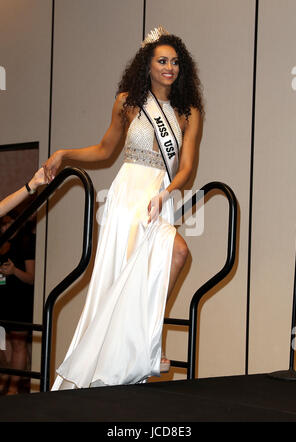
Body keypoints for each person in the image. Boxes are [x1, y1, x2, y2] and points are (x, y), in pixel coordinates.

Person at [43, 27, 204, 390]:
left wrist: (169, 193)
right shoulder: (127, 102)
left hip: (159, 195)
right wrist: (65, 153)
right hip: (128, 195)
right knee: (124, 275)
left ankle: (146, 341)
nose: (170, 68)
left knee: (177, 254)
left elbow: (188, 168)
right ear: (147, 64)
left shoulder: (188, 112)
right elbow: (104, 150)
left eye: (175, 62)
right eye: (162, 61)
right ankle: (133, 354)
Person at [0, 213, 36, 395]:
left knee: (19, 345)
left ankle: (14, 387)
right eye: (3, 224)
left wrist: (14, 271)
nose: (4, 228)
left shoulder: (26, 243)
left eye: (9, 224)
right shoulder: (3, 244)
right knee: (4, 344)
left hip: (20, 301)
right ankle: (5, 379)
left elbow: (32, 278)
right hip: (4, 302)